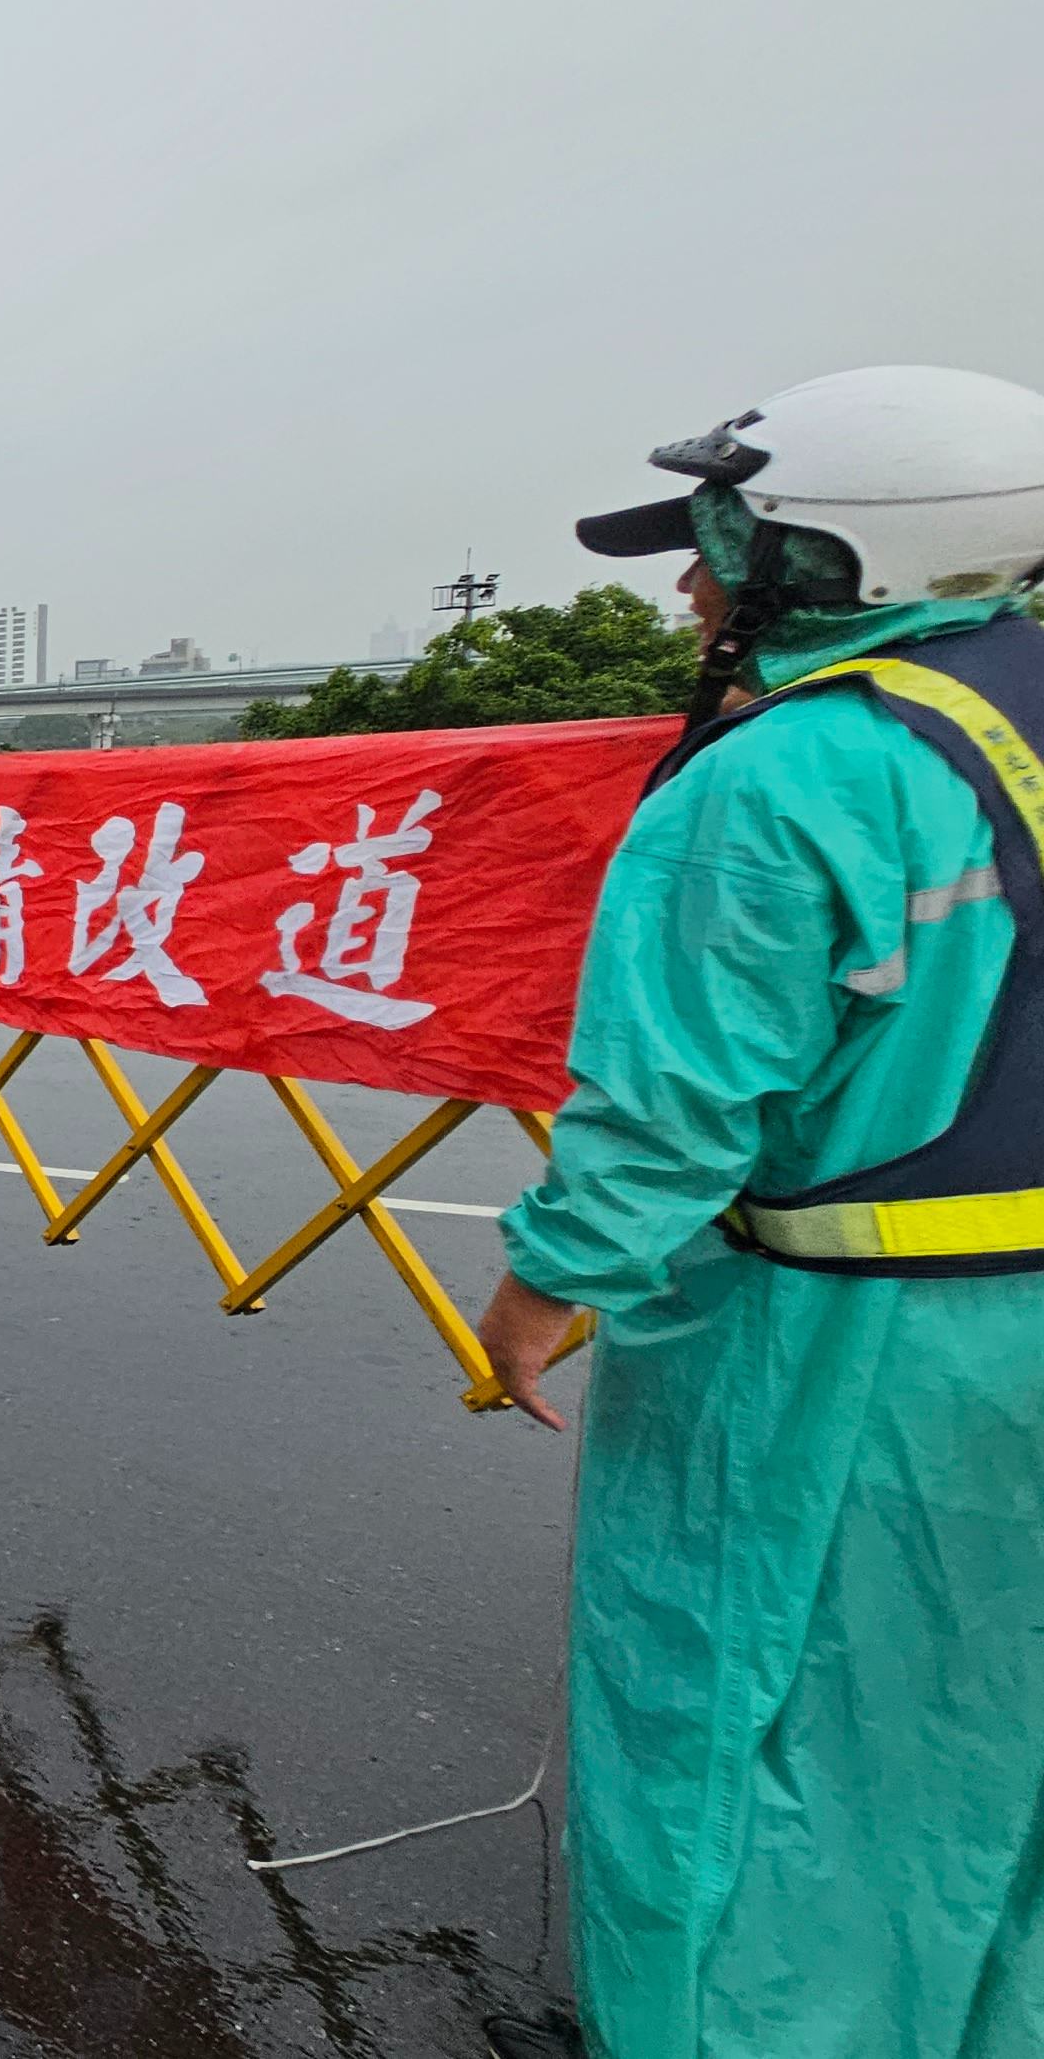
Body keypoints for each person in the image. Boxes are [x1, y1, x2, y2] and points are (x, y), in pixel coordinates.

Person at [474, 366, 1044, 2059]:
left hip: (850, 1358)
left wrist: (539, 1291)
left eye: (723, 537)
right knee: (991, 1753)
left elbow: (669, 1112)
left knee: (749, 1737)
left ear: (833, 555)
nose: (692, 582)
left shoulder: (785, 779)